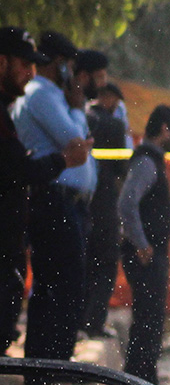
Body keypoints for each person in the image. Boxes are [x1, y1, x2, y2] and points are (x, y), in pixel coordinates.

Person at [0, 28, 89, 352]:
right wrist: (63, 159)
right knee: (56, 288)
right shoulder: (40, 96)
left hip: (17, 228)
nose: (30, 73)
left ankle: (52, 364)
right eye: (24, 64)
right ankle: (46, 365)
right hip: (47, 204)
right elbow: (21, 168)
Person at [117, 106, 170, 385]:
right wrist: (141, 244)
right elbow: (126, 204)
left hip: (151, 253)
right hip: (146, 256)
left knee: (151, 323)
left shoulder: (152, 160)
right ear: (165, 129)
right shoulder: (146, 161)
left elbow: (144, 203)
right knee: (147, 324)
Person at [83, 78, 133, 337]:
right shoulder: (113, 125)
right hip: (105, 200)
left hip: (81, 200)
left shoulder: (82, 116)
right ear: (109, 98)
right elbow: (122, 168)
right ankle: (94, 322)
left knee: (85, 260)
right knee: (106, 261)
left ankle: (79, 319)